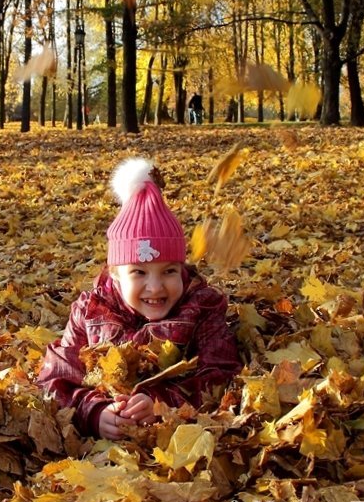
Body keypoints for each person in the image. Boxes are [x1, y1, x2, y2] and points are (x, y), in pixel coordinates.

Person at [38, 157, 241, 440]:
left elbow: (221, 372)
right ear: (115, 274)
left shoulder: (200, 307)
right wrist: (93, 412)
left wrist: (164, 403)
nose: (155, 287)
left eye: (169, 271)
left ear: (182, 268)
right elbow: (55, 378)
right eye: (139, 272)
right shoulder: (91, 311)